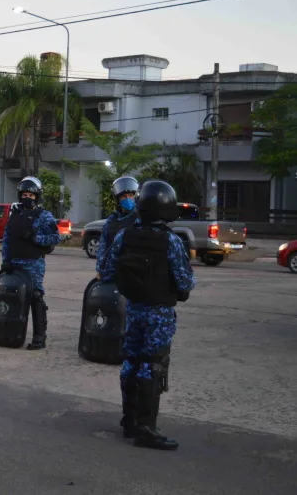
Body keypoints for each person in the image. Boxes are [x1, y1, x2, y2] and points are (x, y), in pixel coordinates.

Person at [102, 180, 195, 450]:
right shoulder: (170, 240)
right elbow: (185, 281)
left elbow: (107, 271)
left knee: (131, 361)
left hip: (133, 309)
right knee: (152, 364)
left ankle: (129, 421)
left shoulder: (125, 235)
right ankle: (146, 428)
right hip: (159, 312)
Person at [0, 176, 65, 350]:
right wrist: (5, 260)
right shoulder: (15, 214)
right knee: (12, 297)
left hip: (33, 263)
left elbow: (55, 237)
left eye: (31, 195)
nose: (27, 198)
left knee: (35, 297)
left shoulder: (44, 216)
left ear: (37, 197)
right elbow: (6, 239)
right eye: (24, 195)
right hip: (14, 262)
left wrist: (36, 238)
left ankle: (39, 337)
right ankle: (10, 334)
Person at [96, 176, 139, 278]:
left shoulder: (140, 218)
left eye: (130, 195)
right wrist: (100, 269)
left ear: (135, 196)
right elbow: (103, 245)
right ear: (118, 199)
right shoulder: (112, 219)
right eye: (124, 196)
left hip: (132, 273)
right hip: (111, 273)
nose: (127, 199)